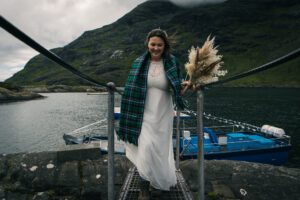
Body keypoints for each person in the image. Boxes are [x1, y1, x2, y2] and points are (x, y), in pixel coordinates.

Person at [117, 28, 189, 199]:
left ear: (165, 46)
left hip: (163, 113)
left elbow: (177, 87)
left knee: (160, 149)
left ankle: (159, 179)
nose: (156, 48)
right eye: (153, 44)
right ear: (147, 44)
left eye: (160, 45)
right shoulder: (138, 63)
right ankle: (144, 185)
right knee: (146, 147)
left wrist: (186, 85)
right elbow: (130, 89)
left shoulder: (172, 63)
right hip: (141, 113)